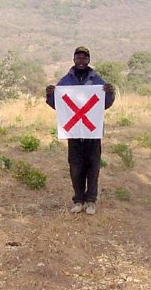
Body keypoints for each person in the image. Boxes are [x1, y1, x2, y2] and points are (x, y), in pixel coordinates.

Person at [45, 46, 116, 215]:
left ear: (89, 60)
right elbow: (59, 105)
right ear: (74, 60)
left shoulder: (97, 80)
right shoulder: (65, 81)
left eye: (85, 58)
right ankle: (78, 200)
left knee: (93, 167)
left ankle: (91, 201)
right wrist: (50, 95)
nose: (81, 61)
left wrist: (110, 93)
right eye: (78, 58)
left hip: (93, 134)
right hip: (74, 133)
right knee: (75, 168)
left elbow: (104, 104)